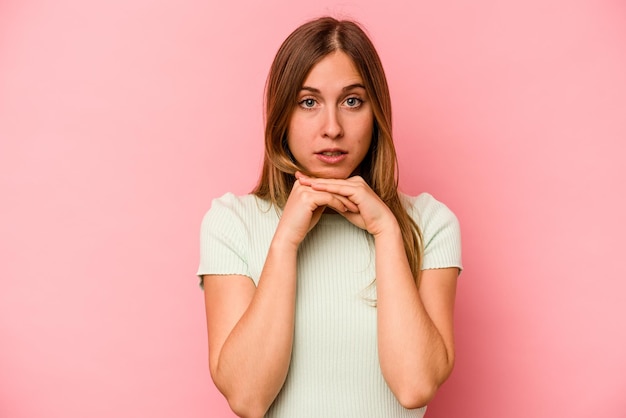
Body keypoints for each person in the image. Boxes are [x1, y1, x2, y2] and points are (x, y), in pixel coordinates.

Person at [197, 16, 462, 418]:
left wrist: (386, 230)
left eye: (352, 101)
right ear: (282, 115)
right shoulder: (231, 222)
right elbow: (247, 398)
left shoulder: (431, 222)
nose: (332, 128)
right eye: (309, 102)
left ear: (376, 113)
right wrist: (285, 240)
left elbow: (414, 386)